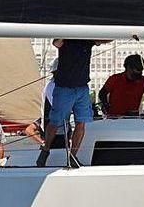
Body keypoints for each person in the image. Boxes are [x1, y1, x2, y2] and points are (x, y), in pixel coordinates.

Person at [43, 39, 110, 168]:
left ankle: (73, 156)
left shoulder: (87, 40)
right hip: (65, 87)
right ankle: (45, 150)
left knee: (81, 122)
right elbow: (56, 42)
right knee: (55, 121)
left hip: (81, 87)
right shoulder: (66, 40)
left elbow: (103, 39)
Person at [99, 54, 144, 118]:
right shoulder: (115, 79)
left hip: (133, 118)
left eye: (141, 70)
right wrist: (105, 104)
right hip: (114, 118)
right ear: (128, 67)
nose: (139, 73)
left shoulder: (143, 81)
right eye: (137, 70)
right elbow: (102, 93)